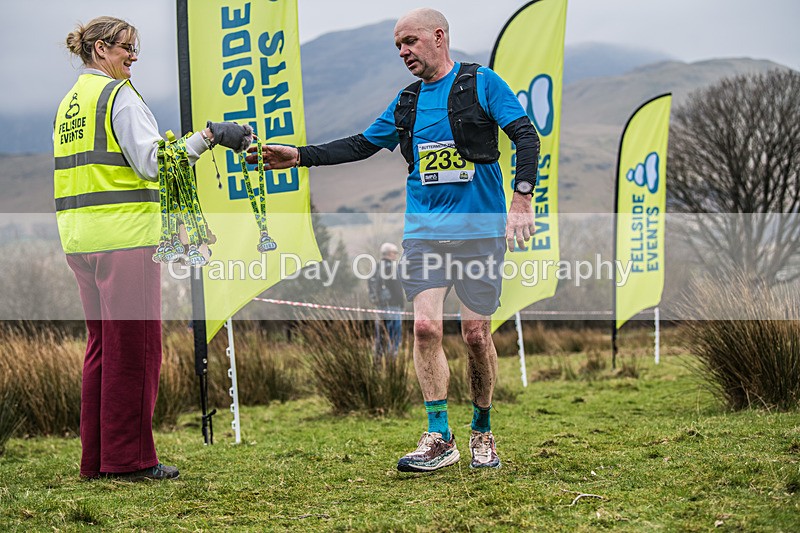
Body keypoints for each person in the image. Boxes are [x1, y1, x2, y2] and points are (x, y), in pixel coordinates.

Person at [248, 8, 539, 472]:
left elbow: (525, 135)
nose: (403, 51)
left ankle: (482, 429)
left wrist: (522, 198)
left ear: (439, 36)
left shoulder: (482, 83)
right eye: (397, 45)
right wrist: (299, 155)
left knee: (476, 334)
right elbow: (361, 144)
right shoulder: (405, 103)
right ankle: (439, 436)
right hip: (424, 233)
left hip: (480, 233)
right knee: (424, 328)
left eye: (410, 41)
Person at [55, 16, 252, 481]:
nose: (133, 56)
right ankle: (129, 461)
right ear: (101, 49)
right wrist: (209, 137)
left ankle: (97, 460)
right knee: (137, 350)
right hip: (125, 240)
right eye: (127, 47)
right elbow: (152, 162)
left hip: (81, 240)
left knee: (103, 348)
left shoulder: (70, 104)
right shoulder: (117, 96)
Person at [369, 242, 405, 358]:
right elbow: (398, 290)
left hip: (379, 307)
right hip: (393, 307)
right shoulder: (392, 269)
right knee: (393, 337)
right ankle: (391, 364)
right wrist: (402, 305)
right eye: (395, 253)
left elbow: (370, 287)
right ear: (389, 254)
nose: (396, 255)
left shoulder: (375, 269)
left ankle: (378, 361)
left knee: (380, 336)